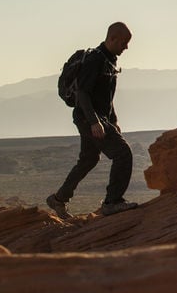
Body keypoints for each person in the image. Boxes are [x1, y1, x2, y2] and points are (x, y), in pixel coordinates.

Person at [46, 22, 138, 217]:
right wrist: (94, 122)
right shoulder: (95, 59)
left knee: (89, 159)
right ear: (112, 38)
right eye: (124, 42)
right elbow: (83, 93)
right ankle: (112, 202)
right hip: (89, 117)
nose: (126, 47)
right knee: (123, 154)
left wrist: (114, 120)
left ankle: (59, 199)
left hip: (98, 118)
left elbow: (107, 97)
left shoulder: (109, 59)